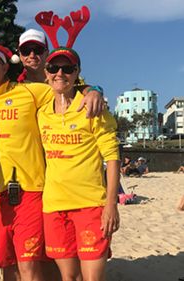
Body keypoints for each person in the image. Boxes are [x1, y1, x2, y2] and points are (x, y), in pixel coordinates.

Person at [0, 35, 104, 281]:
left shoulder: (30, 92)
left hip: (31, 192)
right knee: (7, 266)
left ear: (4, 66)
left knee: (30, 266)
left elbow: (65, 86)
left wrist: (93, 90)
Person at [37, 7, 120, 280]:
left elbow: (112, 157)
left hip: (91, 205)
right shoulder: (41, 111)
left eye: (67, 68)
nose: (60, 73)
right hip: (54, 206)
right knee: (68, 277)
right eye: (54, 67)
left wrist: (111, 205)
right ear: (46, 73)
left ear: (77, 73)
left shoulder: (93, 109)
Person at [18, 29, 104, 117]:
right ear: (20, 55)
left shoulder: (60, 80)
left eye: (38, 50)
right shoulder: (14, 85)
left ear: (46, 53)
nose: (32, 56)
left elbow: (78, 89)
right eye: (26, 51)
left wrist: (94, 91)